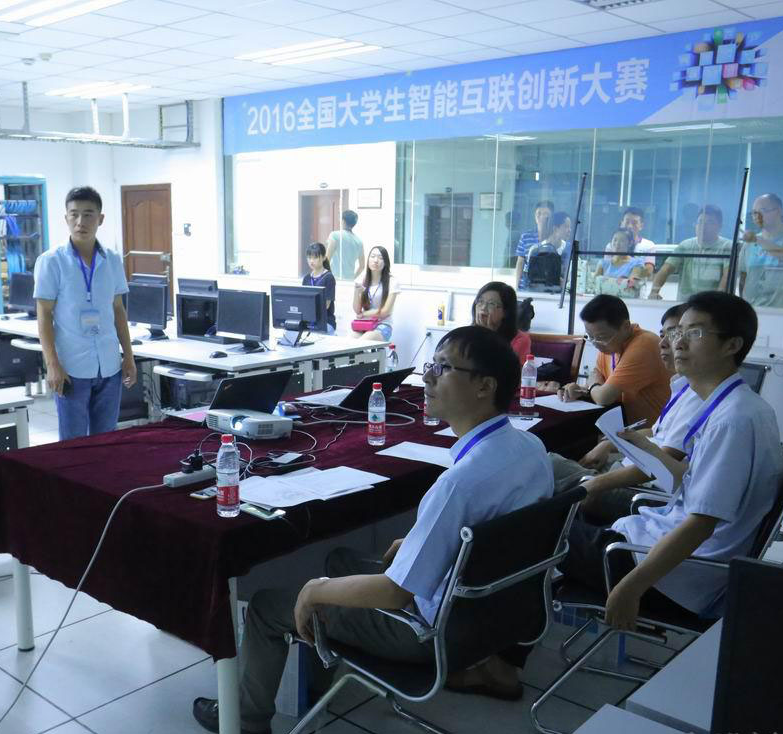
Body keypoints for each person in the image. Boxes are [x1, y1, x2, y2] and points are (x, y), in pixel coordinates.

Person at [190, 326, 553, 734]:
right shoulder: (530, 449)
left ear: (485, 386)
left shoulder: (459, 484)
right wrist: (417, 540)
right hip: (493, 618)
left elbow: (395, 593)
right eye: (431, 364)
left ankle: (245, 722)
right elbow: (489, 529)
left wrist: (314, 591)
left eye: (444, 368)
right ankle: (321, 675)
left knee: (267, 606)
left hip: (430, 633)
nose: (428, 377)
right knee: (340, 560)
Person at [559, 292, 783, 626]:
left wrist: (630, 588)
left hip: (671, 577)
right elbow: (692, 489)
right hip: (657, 545)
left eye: (695, 333)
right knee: (554, 520)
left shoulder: (732, 421)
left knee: (535, 532)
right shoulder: (732, 406)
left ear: (732, 345)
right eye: (678, 331)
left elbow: (700, 524)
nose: (678, 342)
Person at [551, 304, 702, 511]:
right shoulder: (682, 387)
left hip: (644, 491)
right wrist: (610, 445)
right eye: (664, 335)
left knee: (546, 464)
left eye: (678, 334)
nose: (663, 344)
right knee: (552, 462)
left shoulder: (699, 397)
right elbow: (657, 432)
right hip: (629, 465)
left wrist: (594, 484)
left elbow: (660, 464)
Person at [34, 186, 137, 441]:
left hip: (109, 366)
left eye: (88, 214)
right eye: (74, 214)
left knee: (106, 442)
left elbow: (118, 310)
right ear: (66, 218)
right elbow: (44, 315)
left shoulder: (112, 260)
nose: (81, 221)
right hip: (71, 368)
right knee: (73, 445)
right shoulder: (51, 261)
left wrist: (129, 356)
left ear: (100, 219)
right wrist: (52, 365)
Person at [560, 295, 671, 425]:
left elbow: (604, 397)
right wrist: (579, 390)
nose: (595, 344)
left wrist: (592, 386)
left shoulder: (644, 345)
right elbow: (598, 379)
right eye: (590, 337)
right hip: (623, 428)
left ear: (625, 326)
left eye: (601, 337)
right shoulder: (610, 345)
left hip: (653, 432)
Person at [649, 205, 732, 301]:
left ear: (719, 226)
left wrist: (717, 300)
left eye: (710, 222)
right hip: (686, 302)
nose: (703, 226)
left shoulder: (727, 247)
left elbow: (727, 276)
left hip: (712, 304)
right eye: (700, 222)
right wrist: (654, 291)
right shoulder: (685, 245)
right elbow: (666, 269)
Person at [737, 193, 783, 309]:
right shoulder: (748, 244)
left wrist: (757, 240)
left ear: (778, 211)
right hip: (752, 309)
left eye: (763, 210)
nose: (757, 216)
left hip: (780, 310)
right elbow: (743, 277)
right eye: (754, 212)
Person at [471, 281, 530, 363]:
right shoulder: (466, 334)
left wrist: (489, 336)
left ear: (506, 312)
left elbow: (504, 368)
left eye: (491, 304)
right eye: (480, 301)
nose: (483, 308)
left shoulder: (520, 340)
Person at [352, 246, 399, 342]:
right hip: (365, 325)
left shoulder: (392, 281)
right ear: (368, 260)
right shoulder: (362, 279)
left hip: (383, 325)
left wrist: (364, 314)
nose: (376, 260)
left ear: (385, 262)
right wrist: (356, 292)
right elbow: (357, 310)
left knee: (361, 343)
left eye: (380, 258)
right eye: (372, 256)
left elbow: (386, 311)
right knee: (348, 342)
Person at [523, 211, 572, 291]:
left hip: (563, 296)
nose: (569, 230)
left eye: (570, 227)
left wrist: (565, 284)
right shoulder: (535, 250)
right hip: (540, 295)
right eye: (566, 226)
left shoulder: (570, 249)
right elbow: (528, 279)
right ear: (555, 229)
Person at [591, 228, 647, 297]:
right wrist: (622, 282)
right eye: (615, 240)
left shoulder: (637, 263)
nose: (617, 243)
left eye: (622, 241)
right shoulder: (603, 263)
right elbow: (593, 286)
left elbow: (631, 286)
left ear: (630, 243)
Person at [514, 200, 554, 289]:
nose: (541, 216)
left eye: (545, 214)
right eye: (538, 213)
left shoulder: (554, 237)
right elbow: (520, 262)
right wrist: (516, 286)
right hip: (526, 286)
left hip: (548, 287)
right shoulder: (526, 236)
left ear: (551, 217)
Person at [302, 241, 336, 334]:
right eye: (309, 257)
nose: (311, 261)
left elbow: (326, 306)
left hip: (325, 322)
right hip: (309, 322)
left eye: (315, 257)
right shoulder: (306, 278)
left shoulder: (329, 277)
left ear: (324, 257)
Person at [326, 209, 364, 281]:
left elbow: (326, 260)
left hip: (335, 279)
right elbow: (362, 266)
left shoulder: (335, 235)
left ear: (343, 221)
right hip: (349, 281)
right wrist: (353, 278)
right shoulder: (359, 242)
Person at [620, 206, 657, 274]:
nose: (630, 226)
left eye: (634, 223)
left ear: (641, 226)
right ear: (622, 223)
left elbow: (648, 271)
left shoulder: (649, 246)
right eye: (627, 222)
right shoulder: (612, 245)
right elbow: (606, 268)